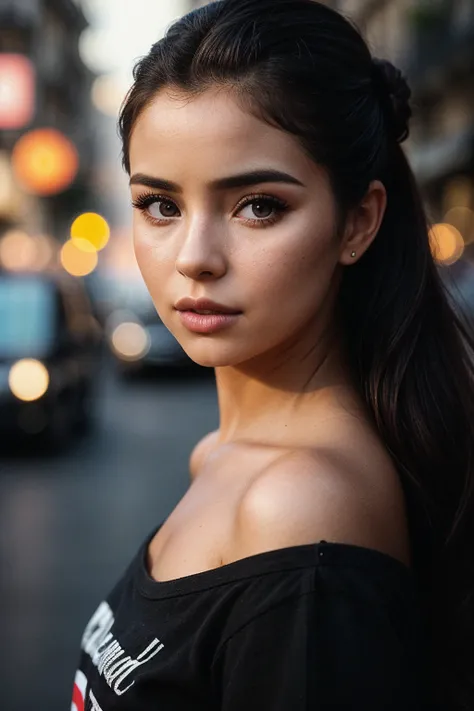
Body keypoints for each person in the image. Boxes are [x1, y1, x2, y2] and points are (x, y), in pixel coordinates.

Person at [71, 1, 474, 709]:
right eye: (160, 205)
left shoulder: (302, 507)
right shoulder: (221, 454)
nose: (194, 258)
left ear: (358, 220)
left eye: (257, 205)